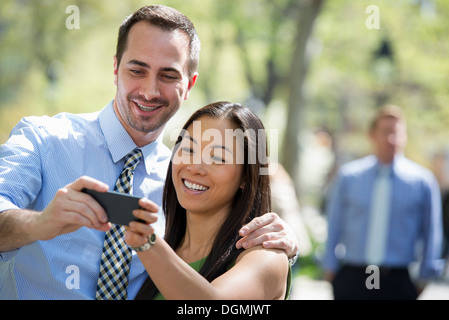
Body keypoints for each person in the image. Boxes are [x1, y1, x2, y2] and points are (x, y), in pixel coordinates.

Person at [0, 5, 298, 299]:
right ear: (116, 68)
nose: (150, 91)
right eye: (137, 70)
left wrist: (281, 246)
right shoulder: (44, 140)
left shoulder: (186, 184)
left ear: (189, 84)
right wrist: (39, 224)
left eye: (168, 75)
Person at [125, 101, 290, 300]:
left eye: (218, 158)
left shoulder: (265, 257)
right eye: (188, 149)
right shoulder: (162, 247)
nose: (195, 167)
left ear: (246, 177)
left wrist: (147, 243)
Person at [322, 104, 444, 300]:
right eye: (386, 132)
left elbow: (432, 232)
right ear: (372, 135)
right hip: (353, 277)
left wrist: (424, 277)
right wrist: (330, 269)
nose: (392, 139)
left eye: (397, 133)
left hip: (397, 280)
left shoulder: (422, 182)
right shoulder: (349, 177)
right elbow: (334, 223)